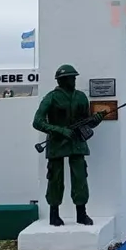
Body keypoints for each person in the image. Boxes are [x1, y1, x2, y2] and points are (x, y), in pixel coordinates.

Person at [32, 64, 107, 226]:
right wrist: (58, 130)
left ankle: (81, 213)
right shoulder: (51, 98)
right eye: (70, 78)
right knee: (55, 179)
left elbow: (86, 122)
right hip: (57, 143)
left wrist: (96, 120)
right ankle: (54, 214)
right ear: (62, 80)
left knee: (80, 178)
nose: (73, 80)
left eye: (74, 77)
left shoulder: (81, 97)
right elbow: (37, 122)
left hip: (77, 143)